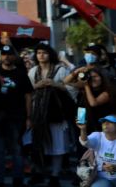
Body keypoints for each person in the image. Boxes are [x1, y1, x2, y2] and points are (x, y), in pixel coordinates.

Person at [0, 45, 33, 187]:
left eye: (9, 54)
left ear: (14, 57)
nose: (6, 57)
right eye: (4, 54)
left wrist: (28, 117)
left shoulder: (21, 73)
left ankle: (17, 179)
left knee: (17, 150)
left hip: (16, 116)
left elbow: (28, 96)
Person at [27, 43, 72, 187]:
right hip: (37, 114)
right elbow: (27, 91)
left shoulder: (61, 70)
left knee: (58, 145)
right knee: (38, 144)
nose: (41, 55)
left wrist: (55, 84)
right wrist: (37, 85)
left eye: (44, 52)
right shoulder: (33, 71)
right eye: (39, 52)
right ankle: (38, 173)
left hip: (56, 113)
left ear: (50, 54)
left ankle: (55, 175)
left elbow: (72, 88)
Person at [78, 114, 116, 187]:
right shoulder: (98, 135)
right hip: (101, 178)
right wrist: (83, 129)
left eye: (110, 122)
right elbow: (85, 142)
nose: (105, 123)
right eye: (103, 122)